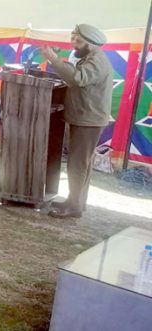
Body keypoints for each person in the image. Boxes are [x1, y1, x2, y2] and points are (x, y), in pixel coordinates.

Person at [42, 24, 113, 219]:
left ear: (90, 44)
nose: (74, 44)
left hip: (88, 120)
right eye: (73, 38)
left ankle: (74, 207)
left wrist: (54, 60)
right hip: (84, 117)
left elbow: (78, 78)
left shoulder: (96, 61)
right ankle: (75, 202)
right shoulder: (91, 57)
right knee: (80, 164)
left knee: (77, 165)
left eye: (78, 41)